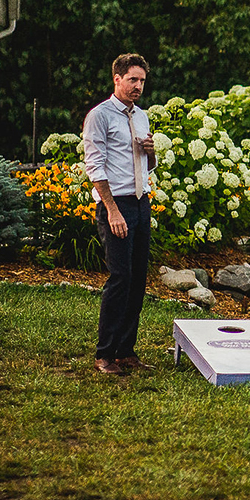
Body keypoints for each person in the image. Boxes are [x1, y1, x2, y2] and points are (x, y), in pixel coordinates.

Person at [82, 53, 161, 376]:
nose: (138, 86)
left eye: (142, 81)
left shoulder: (141, 116)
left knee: (138, 279)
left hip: (142, 203)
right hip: (116, 205)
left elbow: (146, 166)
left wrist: (151, 155)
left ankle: (127, 350)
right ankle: (105, 354)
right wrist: (112, 210)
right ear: (117, 79)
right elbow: (95, 166)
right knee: (120, 278)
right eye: (132, 80)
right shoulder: (100, 116)